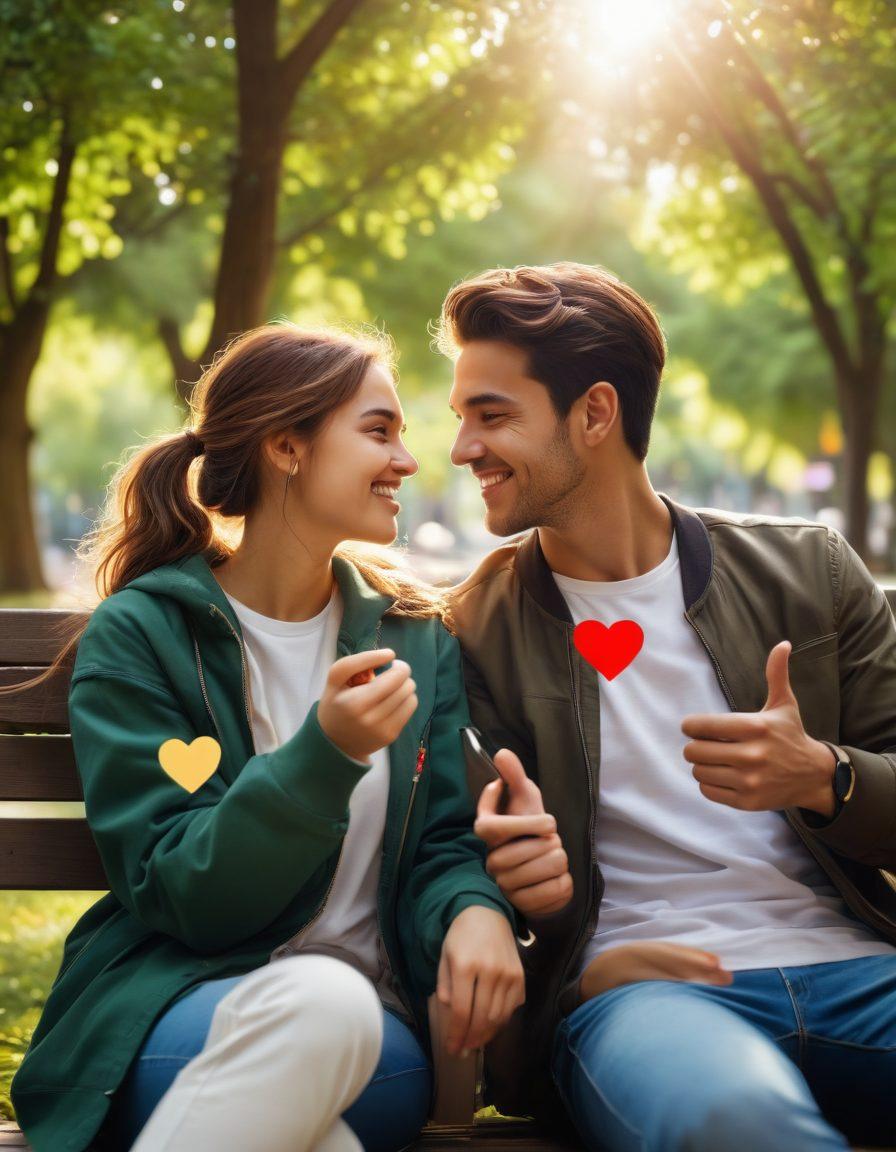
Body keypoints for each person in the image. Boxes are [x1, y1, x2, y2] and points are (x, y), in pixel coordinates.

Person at [9, 323, 524, 1152]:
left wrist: (472, 910)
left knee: (334, 1014)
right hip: (177, 1010)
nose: (409, 462)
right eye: (379, 431)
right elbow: (183, 893)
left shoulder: (413, 638)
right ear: (288, 447)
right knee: (325, 1054)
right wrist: (324, 757)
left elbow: (442, 844)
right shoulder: (143, 637)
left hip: (376, 1041)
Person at [438, 262, 896, 1152]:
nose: (461, 449)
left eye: (491, 416)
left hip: (864, 974)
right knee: (734, 1124)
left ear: (596, 414)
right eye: (462, 418)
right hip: (647, 998)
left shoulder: (811, 573)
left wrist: (826, 778)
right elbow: (453, 861)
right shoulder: (473, 627)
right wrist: (527, 892)